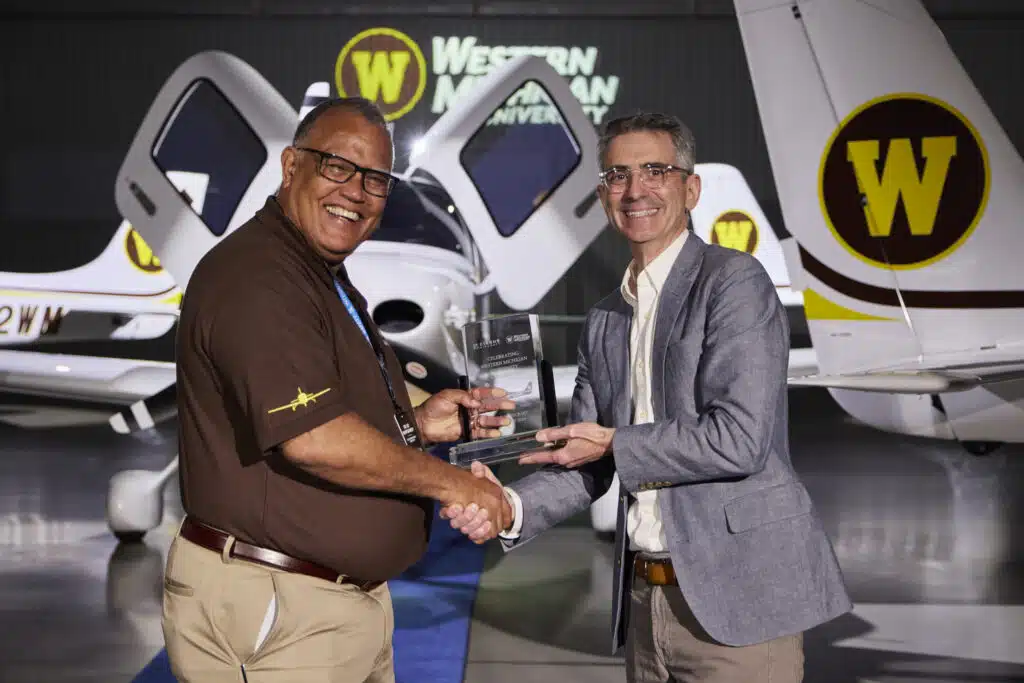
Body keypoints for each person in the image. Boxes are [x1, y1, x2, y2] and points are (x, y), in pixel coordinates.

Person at [442, 112, 852, 682]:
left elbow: (738, 440)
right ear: (603, 193)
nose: (635, 190)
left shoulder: (734, 282)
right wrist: (508, 507)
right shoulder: (606, 319)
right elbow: (586, 460)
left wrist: (612, 441)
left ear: (691, 188)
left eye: (655, 171)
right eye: (617, 175)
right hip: (643, 604)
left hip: (741, 600)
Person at [162, 96, 513, 683]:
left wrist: (419, 423)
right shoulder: (259, 279)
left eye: (376, 179)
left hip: (331, 607)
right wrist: (457, 485)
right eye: (337, 166)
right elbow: (315, 438)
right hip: (279, 613)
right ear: (291, 164)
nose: (357, 191)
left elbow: (328, 399)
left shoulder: (316, 272)